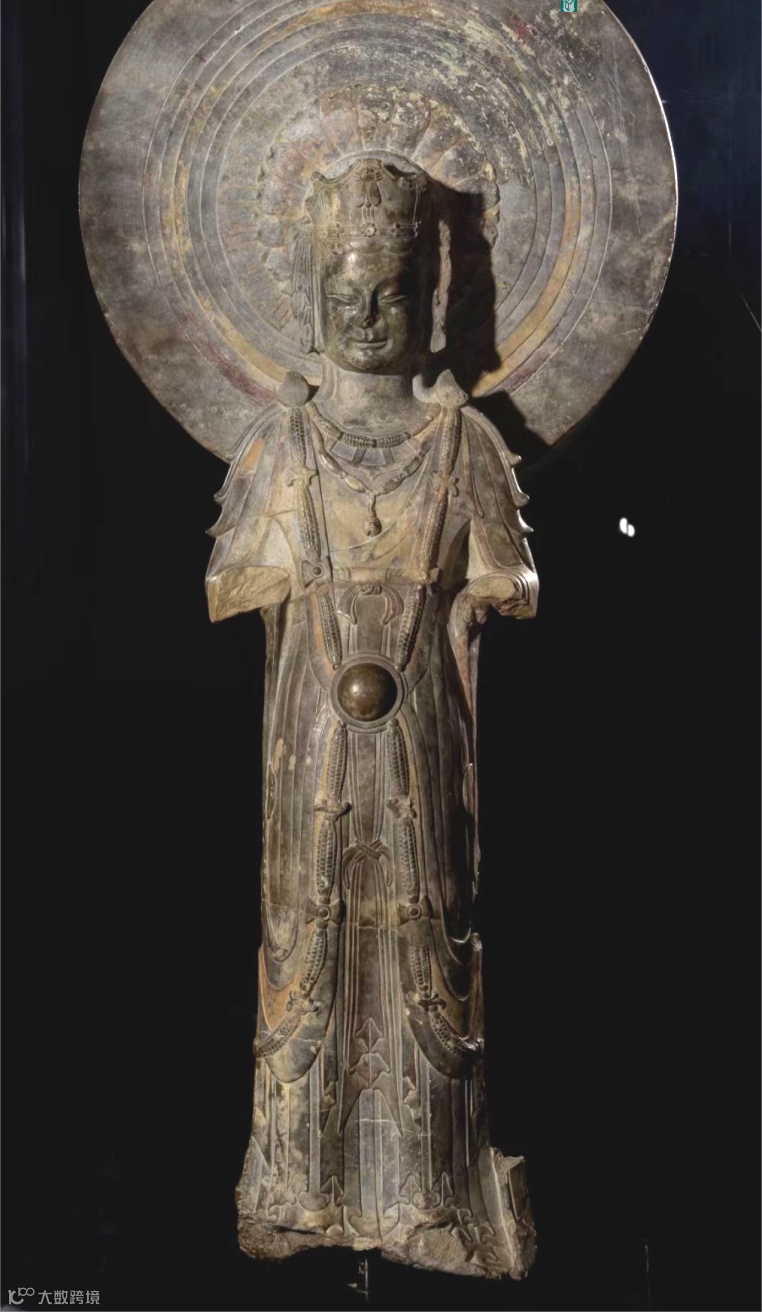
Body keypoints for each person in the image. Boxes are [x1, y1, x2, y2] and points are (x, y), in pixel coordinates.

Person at [206, 158, 538, 1277]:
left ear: (431, 302)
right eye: (341, 293)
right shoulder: (281, 444)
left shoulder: (462, 444)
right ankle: (297, 1191)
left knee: (428, 935)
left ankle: (432, 1197)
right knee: (306, 929)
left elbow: (508, 581)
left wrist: (458, 594)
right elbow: (234, 581)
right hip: (312, 731)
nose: (362, 317)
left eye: (389, 292)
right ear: (309, 297)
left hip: (423, 732)